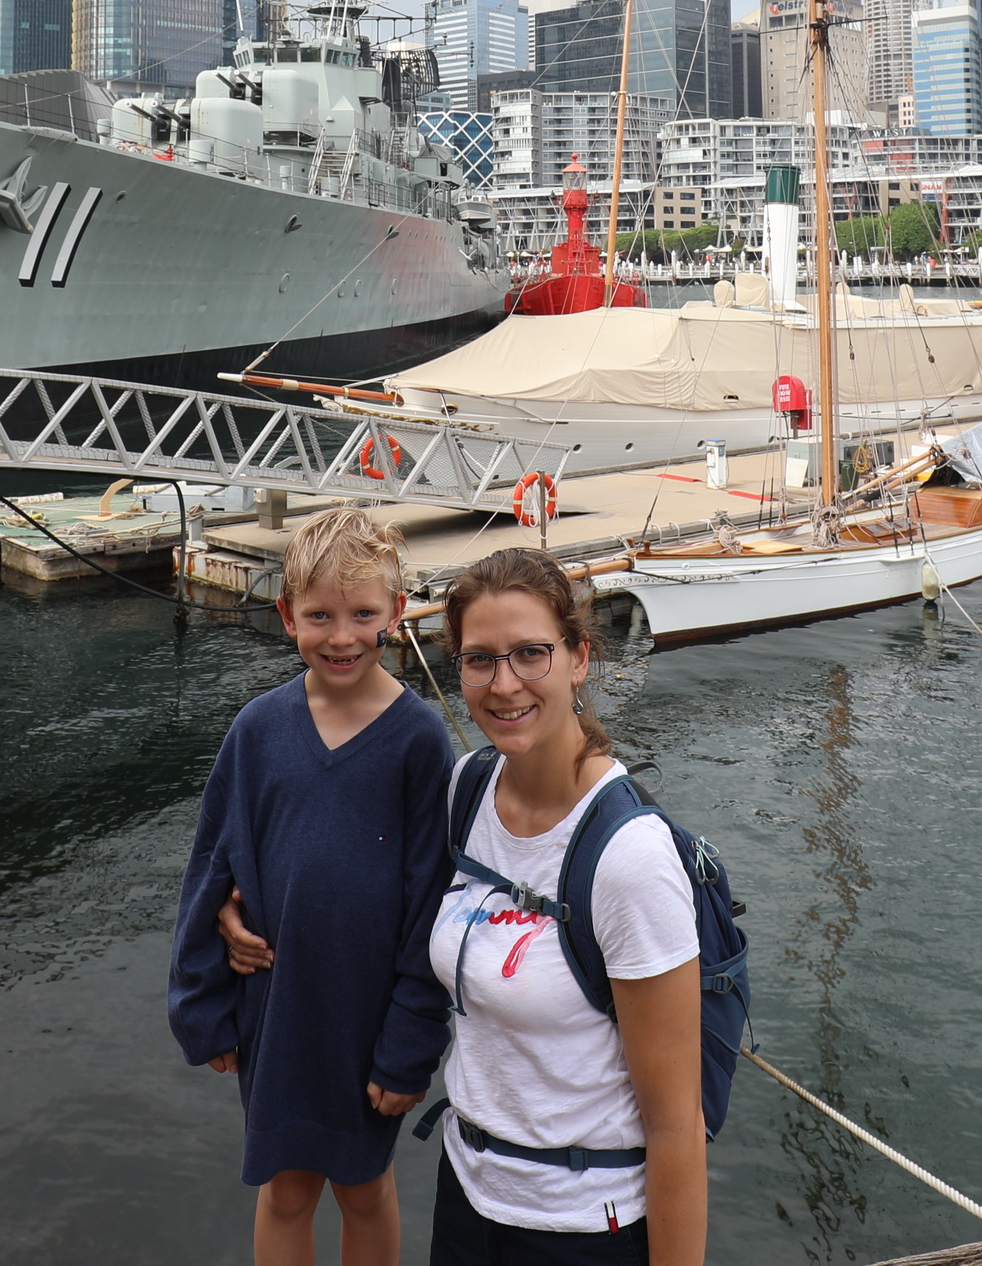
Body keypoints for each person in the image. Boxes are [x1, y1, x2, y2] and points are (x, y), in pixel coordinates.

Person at [169, 507, 457, 1266]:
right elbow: (212, 866)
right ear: (286, 614)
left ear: (397, 613)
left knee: (364, 1186)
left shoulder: (421, 741)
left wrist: (409, 1047)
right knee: (286, 1189)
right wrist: (205, 1003)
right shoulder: (257, 731)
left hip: (367, 1018)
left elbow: (433, 901)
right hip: (277, 1009)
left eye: (364, 614)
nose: (342, 636)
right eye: (320, 615)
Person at [424, 547, 707, 1263]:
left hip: (582, 1229)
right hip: (467, 1192)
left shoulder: (630, 858)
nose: (503, 683)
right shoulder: (467, 790)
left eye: (529, 654)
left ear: (579, 658)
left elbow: (677, 1126)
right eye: (479, 659)